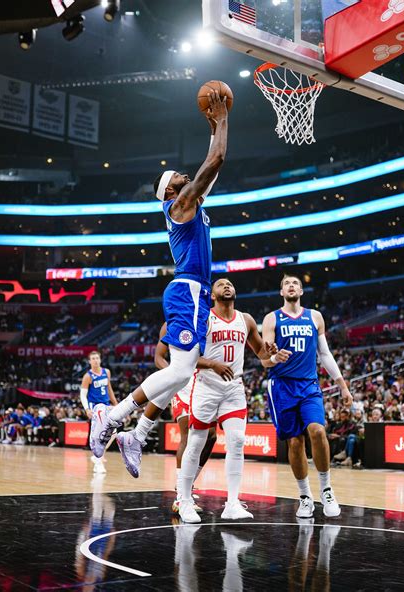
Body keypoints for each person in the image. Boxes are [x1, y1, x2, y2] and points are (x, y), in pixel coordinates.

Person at [90, 91, 229, 479]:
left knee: (182, 372)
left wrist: (215, 128)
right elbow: (215, 161)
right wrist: (222, 120)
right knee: (181, 371)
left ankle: (137, 434)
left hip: (196, 294)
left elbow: (211, 170)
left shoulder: (189, 203)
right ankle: (111, 419)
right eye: (180, 177)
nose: (186, 174)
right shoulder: (178, 206)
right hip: (187, 291)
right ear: (172, 190)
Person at [178, 278, 283, 523]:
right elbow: (187, 358)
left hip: (233, 387)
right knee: (196, 444)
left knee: (236, 441)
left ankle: (232, 503)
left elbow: (261, 353)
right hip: (206, 385)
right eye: (220, 284)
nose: (226, 286)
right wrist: (213, 364)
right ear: (212, 295)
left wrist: (272, 351)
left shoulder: (245, 319)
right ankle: (183, 501)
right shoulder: (204, 317)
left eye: (230, 283)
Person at [261, 275, 353, 519]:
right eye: (286, 284)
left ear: (301, 290)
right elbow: (264, 358)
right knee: (294, 442)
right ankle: (304, 496)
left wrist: (342, 385)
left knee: (318, 431)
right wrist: (272, 357)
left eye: (295, 283)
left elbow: (324, 353)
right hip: (281, 386)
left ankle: (326, 489)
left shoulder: (315, 316)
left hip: (309, 385)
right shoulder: (271, 318)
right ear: (281, 292)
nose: (291, 286)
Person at [155, 323, 218, 513]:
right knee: (188, 436)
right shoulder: (170, 324)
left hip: (204, 381)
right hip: (183, 385)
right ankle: (180, 494)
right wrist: (174, 374)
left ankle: (187, 485)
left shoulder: (207, 318)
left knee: (212, 436)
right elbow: (159, 357)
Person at [81, 351, 118, 473]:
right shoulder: (88, 376)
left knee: (113, 433)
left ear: (100, 359)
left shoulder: (106, 372)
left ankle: (97, 456)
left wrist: (116, 404)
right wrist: (87, 409)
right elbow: (83, 395)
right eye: (93, 358)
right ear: (89, 361)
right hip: (95, 407)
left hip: (106, 406)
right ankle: (98, 462)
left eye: (97, 358)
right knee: (99, 435)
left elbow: (109, 389)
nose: (96, 360)